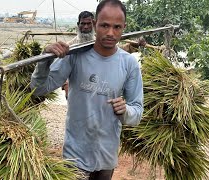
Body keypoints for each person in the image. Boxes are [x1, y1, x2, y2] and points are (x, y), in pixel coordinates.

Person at [31, 0, 143, 179]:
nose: (110, 33)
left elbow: (137, 112)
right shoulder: (75, 55)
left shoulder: (129, 64)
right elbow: (39, 89)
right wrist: (45, 59)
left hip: (107, 155)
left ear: (124, 27)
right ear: (94, 24)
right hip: (75, 155)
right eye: (104, 25)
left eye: (117, 27)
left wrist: (125, 111)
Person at [62, 11, 95, 99]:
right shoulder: (70, 47)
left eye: (89, 23)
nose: (86, 27)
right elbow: (61, 69)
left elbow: (115, 52)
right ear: (78, 24)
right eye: (83, 24)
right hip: (76, 90)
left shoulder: (99, 44)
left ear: (94, 24)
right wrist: (66, 86)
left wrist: (131, 46)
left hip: (96, 88)